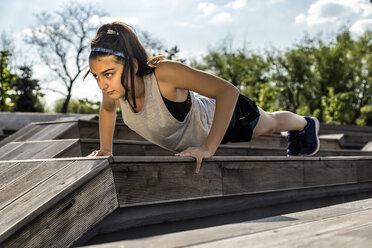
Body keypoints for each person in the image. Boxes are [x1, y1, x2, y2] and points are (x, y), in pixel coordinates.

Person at [86, 21, 320, 174]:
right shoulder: (116, 92)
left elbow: (228, 91)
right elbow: (107, 110)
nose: (102, 84)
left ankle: (305, 124)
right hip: (200, 133)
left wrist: (208, 149)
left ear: (133, 65)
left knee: (271, 124)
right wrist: (106, 149)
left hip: (225, 116)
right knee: (270, 123)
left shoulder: (165, 75)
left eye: (108, 74)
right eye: (96, 76)